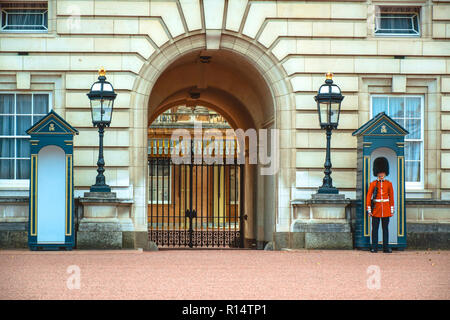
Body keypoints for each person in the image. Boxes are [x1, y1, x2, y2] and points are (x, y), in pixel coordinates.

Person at [366, 157, 394, 253]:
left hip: (386, 208)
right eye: (380, 172)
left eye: (383, 172)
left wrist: (391, 209)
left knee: (385, 229)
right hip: (376, 209)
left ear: (385, 172)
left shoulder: (389, 184)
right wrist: (369, 210)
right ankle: (374, 247)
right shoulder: (373, 184)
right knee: (375, 229)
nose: (381, 174)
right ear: (377, 173)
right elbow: (368, 197)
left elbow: (391, 197)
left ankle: (386, 247)